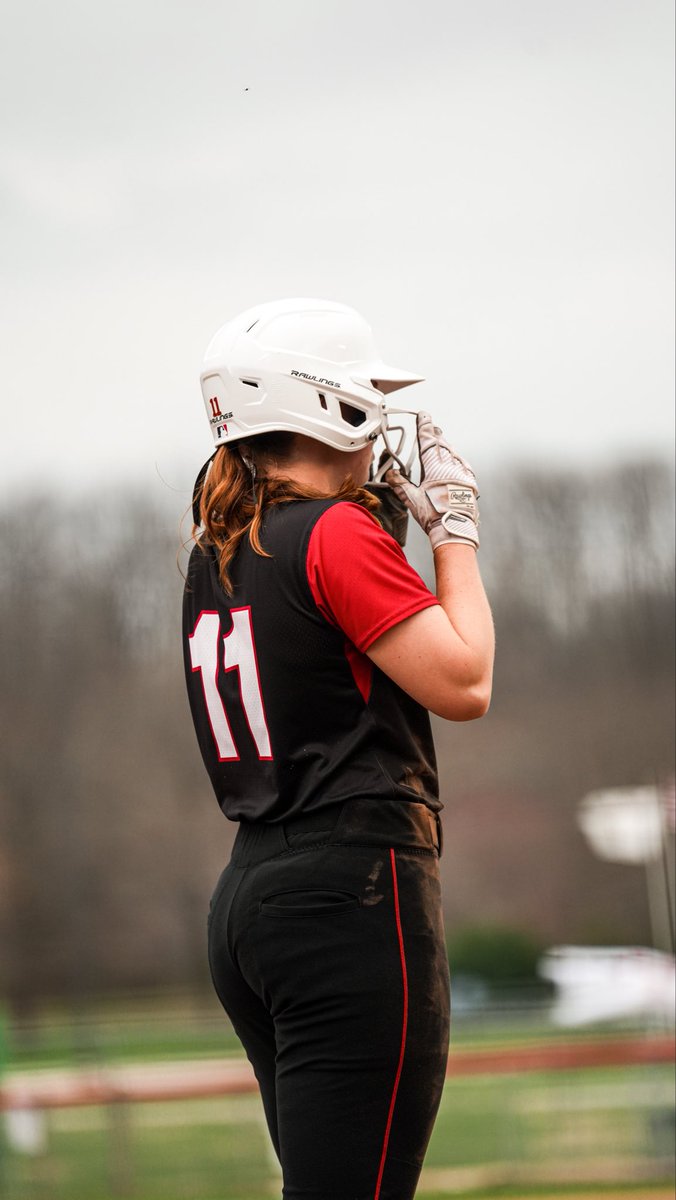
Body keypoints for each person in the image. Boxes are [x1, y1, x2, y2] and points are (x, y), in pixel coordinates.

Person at [182, 298, 494, 1200]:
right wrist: (456, 537)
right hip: (349, 898)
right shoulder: (333, 532)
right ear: (325, 407)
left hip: (252, 899)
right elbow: (466, 682)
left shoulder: (221, 546)